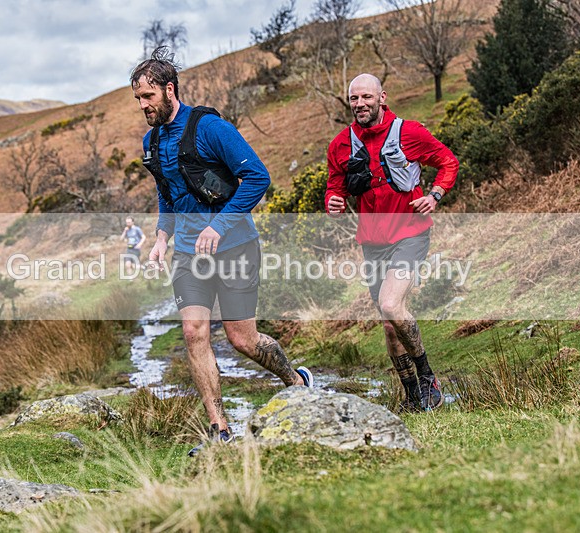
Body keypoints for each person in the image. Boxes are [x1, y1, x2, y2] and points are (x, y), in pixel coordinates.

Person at [130, 47, 313, 455]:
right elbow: (168, 194)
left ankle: (297, 382)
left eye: (148, 97)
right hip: (188, 255)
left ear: (169, 90)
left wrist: (218, 224)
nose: (143, 106)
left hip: (235, 246)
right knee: (194, 332)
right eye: (138, 99)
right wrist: (162, 237)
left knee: (242, 339)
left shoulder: (210, 128)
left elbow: (257, 178)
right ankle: (219, 429)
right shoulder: (152, 141)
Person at [325, 74, 458, 412]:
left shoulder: (409, 132)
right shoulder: (340, 144)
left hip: (411, 233)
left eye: (366, 97)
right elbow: (334, 186)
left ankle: (428, 378)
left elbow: (448, 162)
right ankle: (413, 396)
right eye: (354, 99)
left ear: (382, 97)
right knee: (388, 325)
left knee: (390, 304)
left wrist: (435, 194)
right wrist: (333, 203)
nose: (360, 105)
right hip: (372, 242)